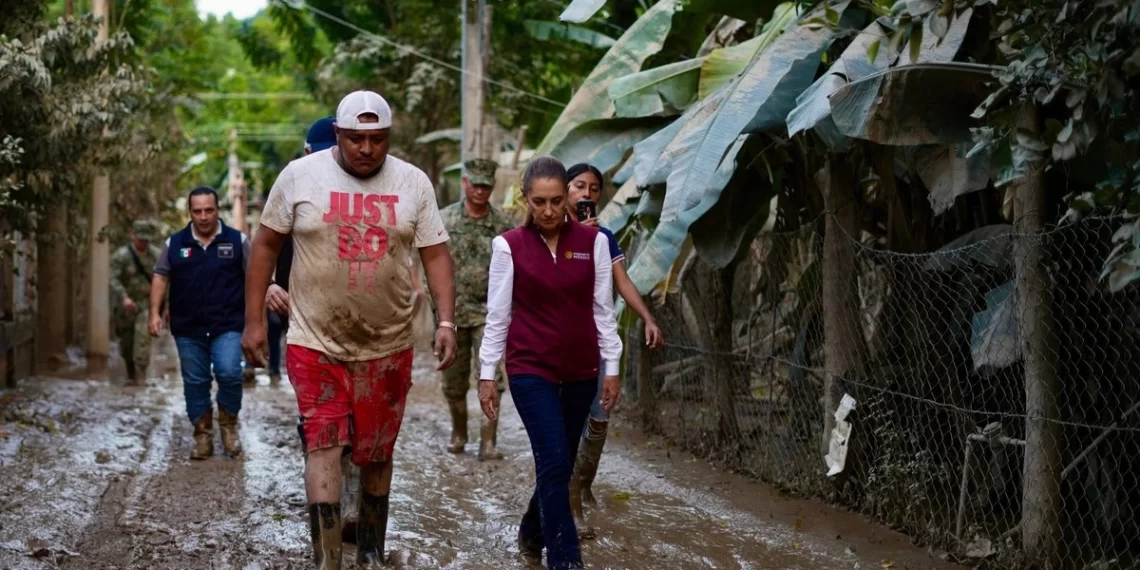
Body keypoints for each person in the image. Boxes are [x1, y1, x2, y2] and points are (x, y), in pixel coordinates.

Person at [242, 90, 457, 570]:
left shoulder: (413, 183)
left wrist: (445, 321)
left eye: (377, 139)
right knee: (324, 442)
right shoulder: (299, 177)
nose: (366, 148)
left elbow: (436, 253)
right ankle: (328, 558)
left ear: (388, 138)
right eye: (356, 138)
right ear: (337, 134)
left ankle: (372, 552)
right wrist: (254, 320)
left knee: (377, 452)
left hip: (388, 342)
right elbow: (264, 246)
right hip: (314, 339)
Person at [478, 156, 622, 570]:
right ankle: (566, 560)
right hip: (530, 370)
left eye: (556, 201)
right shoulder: (508, 246)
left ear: (568, 198)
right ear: (525, 198)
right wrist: (487, 375)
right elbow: (498, 316)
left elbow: (602, 311)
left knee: (559, 462)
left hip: (581, 371)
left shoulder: (594, 243)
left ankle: (530, 531)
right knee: (556, 459)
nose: (547, 211)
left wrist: (611, 367)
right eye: (538, 201)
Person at [563, 163, 664, 537]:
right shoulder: (552, 234)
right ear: (565, 190)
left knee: (600, 417)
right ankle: (572, 506)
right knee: (571, 423)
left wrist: (648, 318)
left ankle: (583, 481)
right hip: (564, 343)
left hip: (601, 340)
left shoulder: (605, 238)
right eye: (578, 186)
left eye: (593, 188)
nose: (586, 194)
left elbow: (623, 282)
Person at [148, 186, 250, 460]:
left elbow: (253, 280)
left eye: (209, 210)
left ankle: (228, 426)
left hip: (228, 324)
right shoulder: (175, 244)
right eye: (197, 211)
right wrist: (154, 313)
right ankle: (202, 435)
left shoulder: (237, 241)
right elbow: (160, 276)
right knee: (195, 381)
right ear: (189, 212)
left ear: (218, 209)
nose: (204, 217)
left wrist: (256, 321)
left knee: (229, 372)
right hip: (188, 327)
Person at [436, 157, 513, 459]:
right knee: (453, 381)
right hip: (452, 315)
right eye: (475, 184)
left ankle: (488, 442)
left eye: (486, 185)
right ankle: (459, 433)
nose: (480, 191)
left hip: (488, 313)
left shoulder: (503, 226)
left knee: (491, 375)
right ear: (465, 183)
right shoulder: (444, 221)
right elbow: (429, 264)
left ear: (492, 186)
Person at [110, 218, 163, 385]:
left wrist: (165, 306)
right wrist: (123, 297)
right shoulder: (122, 256)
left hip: (147, 305)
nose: (143, 243)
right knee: (126, 344)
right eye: (140, 239)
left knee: (142, 341)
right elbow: (113, 279)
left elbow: (164, 279)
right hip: (126, 307)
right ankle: (130, 374)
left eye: (146, 240)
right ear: (133, 236)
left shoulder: (156, 255)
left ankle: (141, 378)